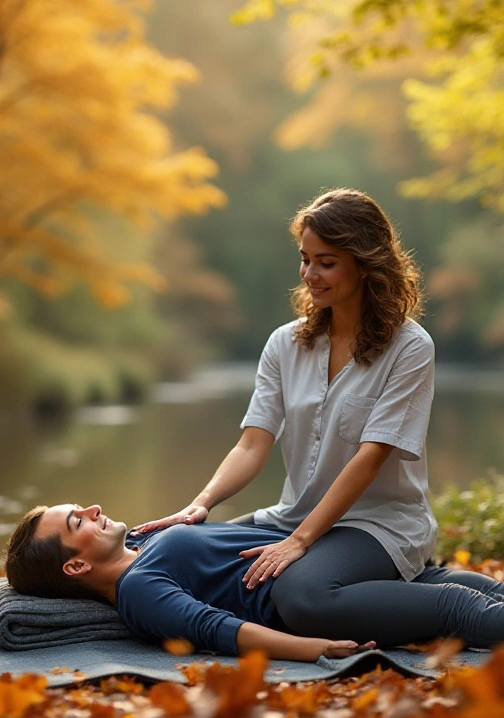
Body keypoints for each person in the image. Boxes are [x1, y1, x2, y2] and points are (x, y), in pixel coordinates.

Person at [133, 188, 436, 594]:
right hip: (290, 517)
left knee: (297, 590)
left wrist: (299, 542)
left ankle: (451, 601)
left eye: (326, 263)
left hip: (378, 527)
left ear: (365, 264)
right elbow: (252, 445)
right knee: (160, 549)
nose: (309, 274)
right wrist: (201, 504)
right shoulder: (285, 343)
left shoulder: (410, 347)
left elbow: (371, 458)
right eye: (305, 259)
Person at [6, 503, 504, 662]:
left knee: (459, 577)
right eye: (78, 520)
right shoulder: (137, 591)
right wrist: (315, 652)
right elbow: (215, 630)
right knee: (459, 607)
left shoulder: (146, 543)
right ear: (75, 565)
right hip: (315, 602)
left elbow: (245, 532)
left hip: (322, 559)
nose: (94, 509)